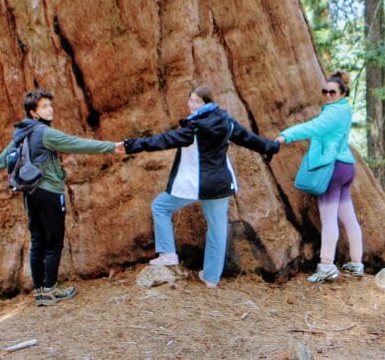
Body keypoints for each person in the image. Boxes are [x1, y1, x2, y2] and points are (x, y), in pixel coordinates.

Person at [116, 86, 280, 288]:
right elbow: (248, 138)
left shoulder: (194, 128)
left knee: (160, 207)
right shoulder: (226, 122)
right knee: (217, 230)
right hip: (220, 184)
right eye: (191, 100)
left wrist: (131, 145)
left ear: (207, 103)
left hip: (195, 185)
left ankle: (168, 254)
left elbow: (163, 140)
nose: (192, 104)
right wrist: (271, 146)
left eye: (197, 101)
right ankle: (211, 278)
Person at [0, 88, 119, 306]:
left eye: (50, 105)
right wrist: (111, 147)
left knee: (38, 240)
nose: (50, 110)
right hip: (49, 191)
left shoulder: (23, 132)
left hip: (30, 192)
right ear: (34, 112)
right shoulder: (44, 133)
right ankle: (50, 289)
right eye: (44, 106)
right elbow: (76, 143)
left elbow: (6, 154)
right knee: (54, 241)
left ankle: (40, 291)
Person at [276, 70, 364, 283]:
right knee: (348, 217)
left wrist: (286, 135)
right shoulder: (343, 109)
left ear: (343, 93)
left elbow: (313, 127)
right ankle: (356, 262)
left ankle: (326, 265)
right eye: (324, 91)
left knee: (328, 219)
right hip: (345, 167)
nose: (327, 95)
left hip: (332, 168)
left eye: (332, 92)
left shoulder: (333, 113)